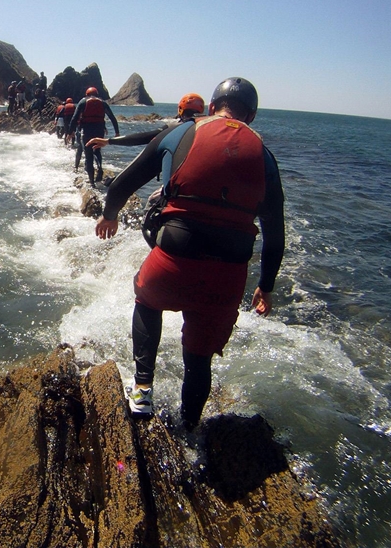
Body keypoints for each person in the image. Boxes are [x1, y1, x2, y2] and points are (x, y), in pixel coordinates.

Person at [94, 77, 284, 430]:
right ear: (252, 116)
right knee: (199, 361)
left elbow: (123, 183)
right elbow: (275, 235)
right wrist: (266, 285)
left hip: (172, 263)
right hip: (227, 279)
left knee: (148, 302)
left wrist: (110, 215)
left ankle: (142, 390)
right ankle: (190, 432)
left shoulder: (180, 133)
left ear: (212, 107)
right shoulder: (266, 158)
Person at [87, 92, 205, 152]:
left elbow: (145, 137)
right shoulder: (211, 126)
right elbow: (112, 117)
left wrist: (109, 141)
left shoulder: (173, 127)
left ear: (180, 109)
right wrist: (116, 130)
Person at [67, 87, 119, 188]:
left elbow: (74, 118)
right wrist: (117, 132)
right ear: (97, 94)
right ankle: (99, 168)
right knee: (97, 151)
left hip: (87, 131)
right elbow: (112, 117)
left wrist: (70, 132)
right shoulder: (103, 102)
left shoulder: (83, 102)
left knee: (88, 156)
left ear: (87, 94)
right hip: (99, 131)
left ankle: (91, 182)